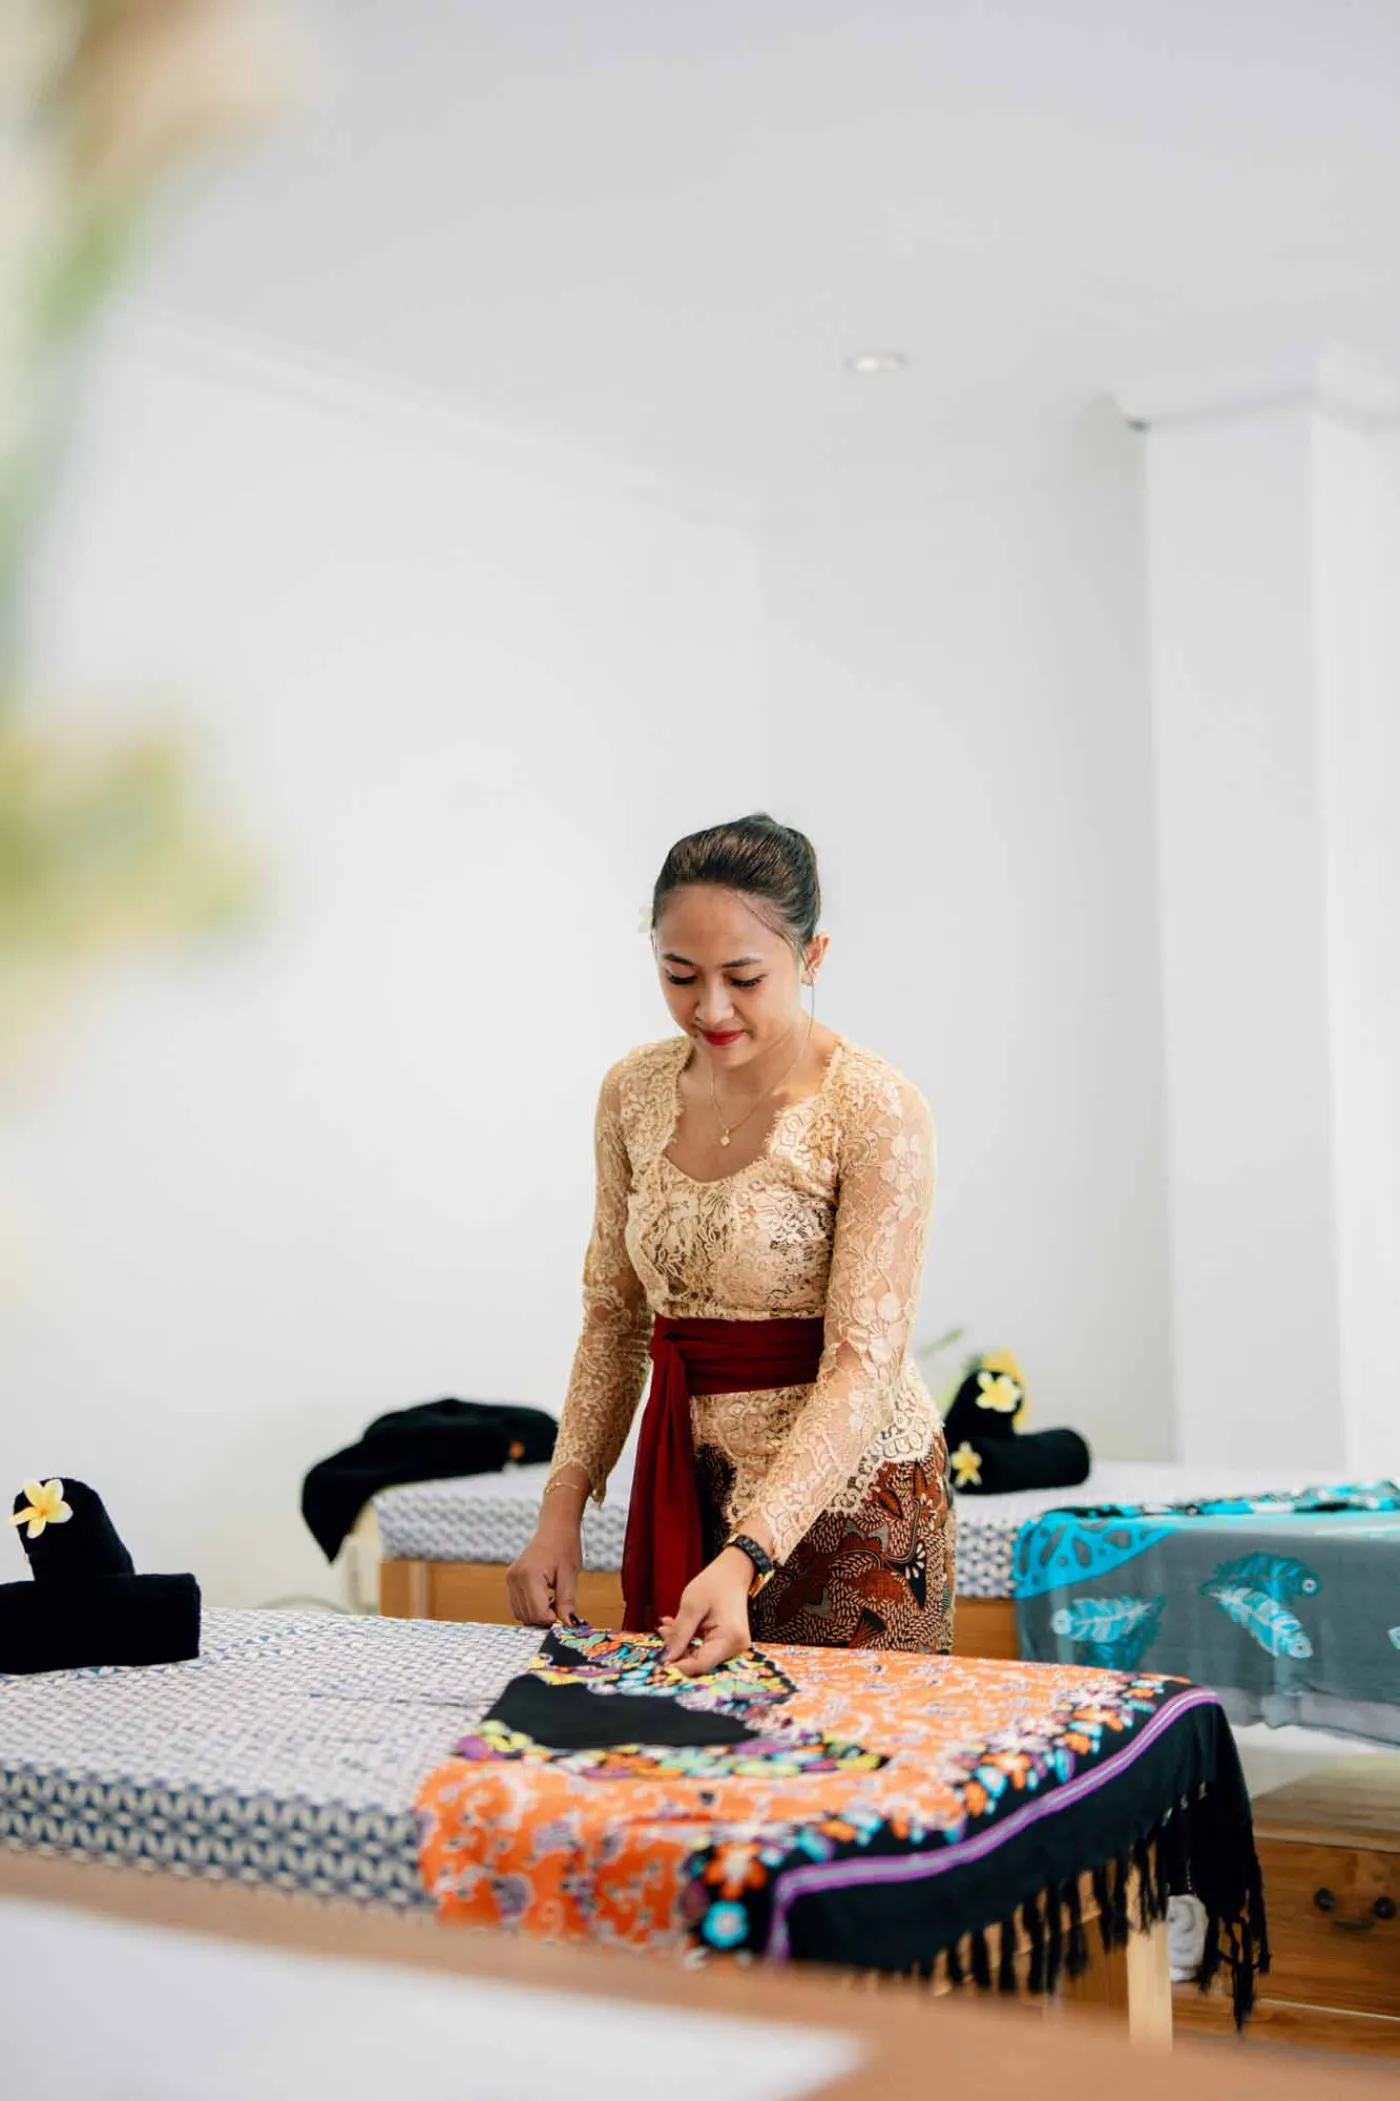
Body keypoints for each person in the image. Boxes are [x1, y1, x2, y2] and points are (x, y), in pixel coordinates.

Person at [507, 814, 951, 1675]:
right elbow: (613, 1320)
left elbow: (862, 1364)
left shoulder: (875, 1108)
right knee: (678, 1748)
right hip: (688, 1485)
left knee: (837, 1751)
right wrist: (561, 1508)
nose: (709, 1008)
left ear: (812, 956)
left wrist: (749, 1551)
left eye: (744, 978)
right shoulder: (632, 1092)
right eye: (680, 975)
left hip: (854, 1505)